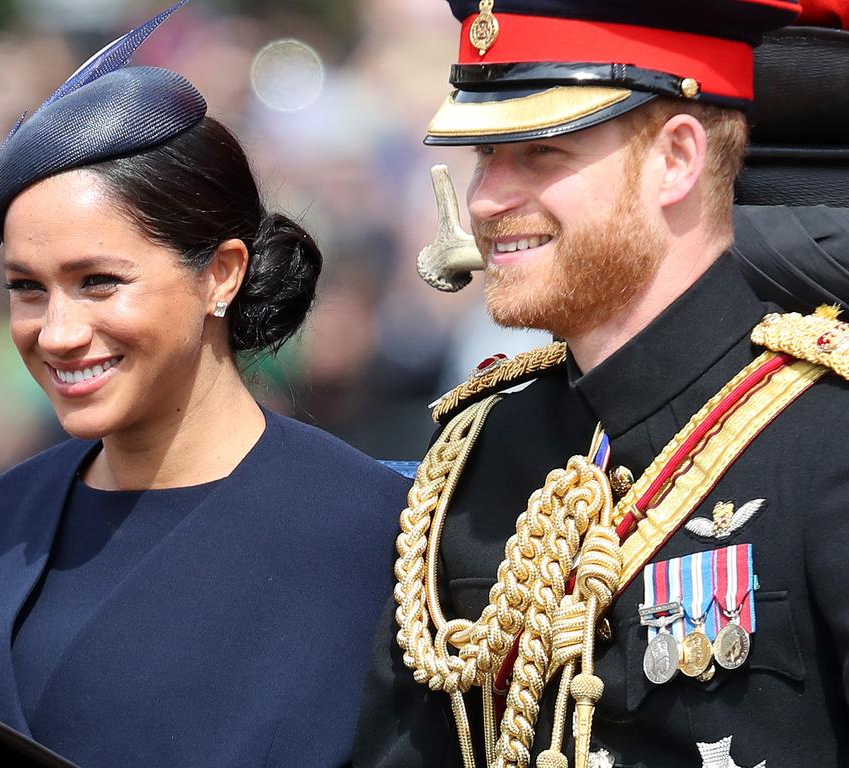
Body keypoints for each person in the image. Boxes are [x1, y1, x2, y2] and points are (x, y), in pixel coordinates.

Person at [0, 6, 410, 767]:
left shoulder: (373, 540)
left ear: (221, 275)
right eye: (28, 289)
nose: (57, 331)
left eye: (99, 282)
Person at [354, 1, 849, 767]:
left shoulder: (829, 440)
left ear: (677, 158)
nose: (485, 200)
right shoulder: (478, 450)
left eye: (540, 154)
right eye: (485, 155)